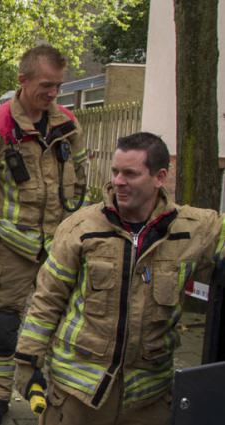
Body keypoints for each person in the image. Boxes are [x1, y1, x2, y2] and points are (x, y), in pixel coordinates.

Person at [14, 132, 225, 424]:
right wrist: (28, 361)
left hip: (148, 399)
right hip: (78, 394)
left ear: (160, 177)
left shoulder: (194, 229)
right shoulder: (80, 227)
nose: (118, 181)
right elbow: (47, 300)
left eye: (130, 173)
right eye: (115, 172)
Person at [0, 44, 88, 425]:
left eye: (58, 86)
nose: (53, 94)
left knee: (61, 324)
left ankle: (49, 389)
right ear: (23, 80)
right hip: (12, 249)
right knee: (3, 328)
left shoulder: (67, 125)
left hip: (60, 248)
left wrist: (74, 227)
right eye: (46, 85)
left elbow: (81, 177)